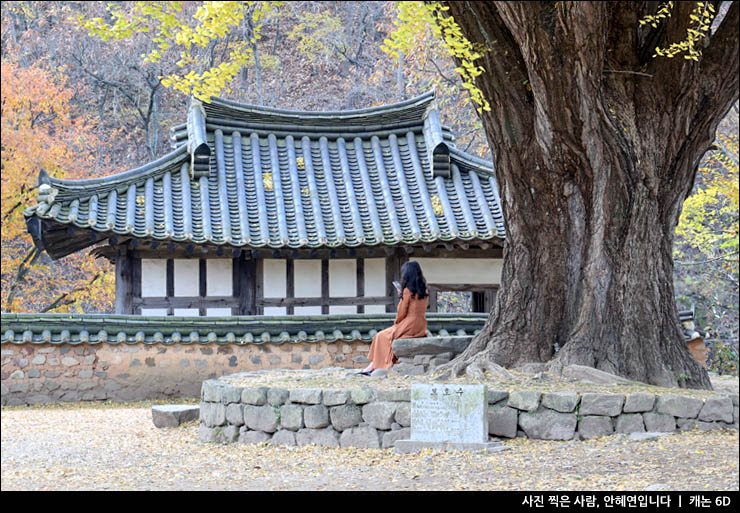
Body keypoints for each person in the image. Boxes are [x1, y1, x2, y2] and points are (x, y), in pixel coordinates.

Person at [359, 260, 429, 375]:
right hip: (421, 324)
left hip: (409, 323)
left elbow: (401, 312)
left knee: (381, 336)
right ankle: (374, 365)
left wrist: (400, 298)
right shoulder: (424, 291)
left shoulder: (407, 291)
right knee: (386, 335)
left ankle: (375, 365)